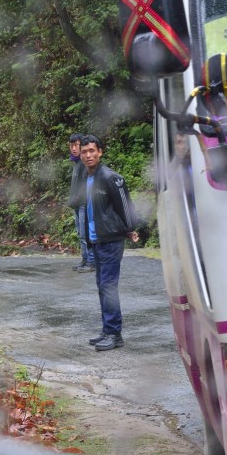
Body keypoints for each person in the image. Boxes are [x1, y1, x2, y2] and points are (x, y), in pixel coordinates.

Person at [80, 135, 139, 351]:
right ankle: (107, 330)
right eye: (84, 151)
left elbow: (125, 205)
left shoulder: (111, 177)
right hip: (97, 240)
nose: (88, 155)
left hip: (111, 240)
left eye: (92, 151)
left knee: (108, 286)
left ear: (100, 152)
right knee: (102, 286)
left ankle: (114, 334)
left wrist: (130, 228)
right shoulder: (88, 179)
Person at [68, 132, 95, 272]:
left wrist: (76, 199)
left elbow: (86, 186)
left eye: (76, 145)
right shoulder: (76, 163)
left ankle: (91, 262)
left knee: (86, 233)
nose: (74, 148)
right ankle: (85, 260)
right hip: (77, 204)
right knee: (80, 233)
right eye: (71, 145)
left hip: (84, 203)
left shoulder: (84, 163)